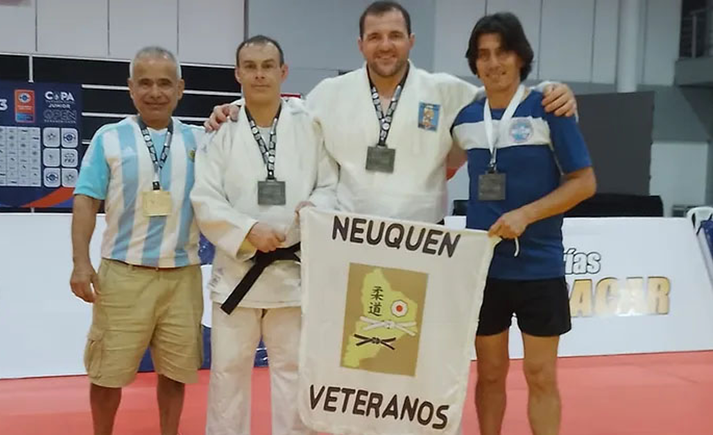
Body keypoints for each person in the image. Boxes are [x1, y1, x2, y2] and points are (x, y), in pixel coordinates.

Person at [206, 1, 577, 226]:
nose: (386, 46)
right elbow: (281, 113)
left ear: (410, 42)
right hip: (350, 234)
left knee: (412, 345)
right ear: (361, 44)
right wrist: (231, 109)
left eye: (395, 36)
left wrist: (551, 90)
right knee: (356, 348)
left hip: (423, 234)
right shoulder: (330, 94)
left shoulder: (445, 90)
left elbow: (503, 94)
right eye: (375, 37)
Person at [451, 13, 596, 435]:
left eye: (502, 52)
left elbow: (585, 183)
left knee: (540, 375)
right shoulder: (465, 118)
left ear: (520, 57)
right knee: (490, 375)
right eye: (483, 54)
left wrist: (526, 214)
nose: (493, 63)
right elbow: (436, 169)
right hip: (485, 270)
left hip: (539, 268)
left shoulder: (549, 107)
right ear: (474, 62)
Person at [192, 35, 337, 435]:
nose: (259, 74)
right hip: (238, 273)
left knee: (294, 373)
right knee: (227, 375)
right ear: (238, 73)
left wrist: (316, 209)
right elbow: (204, 197)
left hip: (294, 273)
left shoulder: (310, 123)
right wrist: (248, 230)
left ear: (283, 71)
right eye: (250, 66)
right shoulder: (221, 129)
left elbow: (330, 183)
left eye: (267, 65)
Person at [69, 46, 204, 435]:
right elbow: (85, 200)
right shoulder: (108, 138)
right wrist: (81, 263)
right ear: (131, 88)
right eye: (145, 83)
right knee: (107, 371)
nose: (155, 92)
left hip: (183, 275)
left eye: (165, 83)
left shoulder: (201, 141)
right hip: (123, 274)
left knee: (176, 372)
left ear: (180, 89)